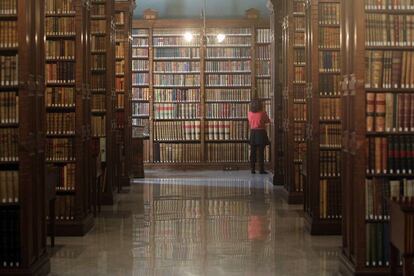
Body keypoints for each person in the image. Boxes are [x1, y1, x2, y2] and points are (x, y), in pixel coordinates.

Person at [248, 99, 270, 174]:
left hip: (253, 133)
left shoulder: (249, 113)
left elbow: (250, 122)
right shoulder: (263, 113)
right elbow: (268, 121)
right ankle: (261, 169)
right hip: (261, 133)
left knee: (253, 152)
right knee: (261, 153)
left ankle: (252, 169)